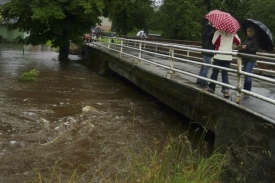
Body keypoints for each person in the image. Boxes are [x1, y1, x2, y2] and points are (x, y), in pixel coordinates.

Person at [204, 30, 241, 98]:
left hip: (219, 55)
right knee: (225, 74)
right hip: (228, 56)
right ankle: (226, 91)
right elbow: (238, 42)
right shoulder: (233, 33)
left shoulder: (218, 32)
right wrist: (231, 47)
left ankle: (211, 88)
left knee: (215, 72)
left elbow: (214, 42)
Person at [196, 17, 216, 86]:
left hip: (205, 48)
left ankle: (199, 79)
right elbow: (210, 36)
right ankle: (204, 81)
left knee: (204, 65)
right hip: (208, 49)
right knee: (207, 66)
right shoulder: (209, 29)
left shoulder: (206, 28)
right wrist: (214, 28)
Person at [239, 27, 259, 91]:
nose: (247, 33)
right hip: (245, 58)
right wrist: (241, 49)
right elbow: (245, 47)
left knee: (248, 74)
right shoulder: (247, 39)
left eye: (249, 31)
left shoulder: (255, 40)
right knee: (245, 74)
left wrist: (246, 48)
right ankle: (245, 88)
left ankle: (248, 89)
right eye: (247, 31)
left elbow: (254, 49)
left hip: (251, 59)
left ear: (252, 32)